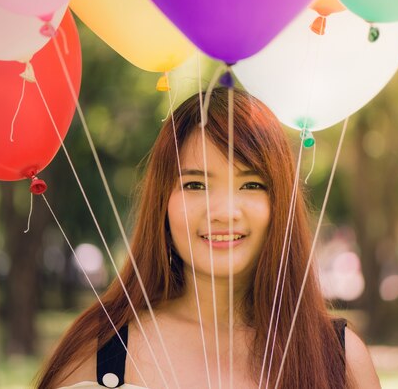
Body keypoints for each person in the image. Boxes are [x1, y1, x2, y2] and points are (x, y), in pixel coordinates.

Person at [36, 88, 380, 388]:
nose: (223, 211)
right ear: (162, 202)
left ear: (280, 203)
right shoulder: (98, 351)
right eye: (195, 185)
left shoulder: (338, 358)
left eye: (251, 184)